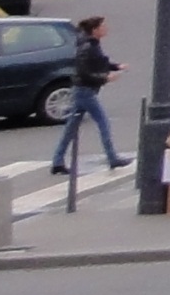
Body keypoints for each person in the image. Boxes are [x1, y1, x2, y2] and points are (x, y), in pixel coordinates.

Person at [49, 15, 130, 175]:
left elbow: (99, 62)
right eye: (102, 26)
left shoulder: (92, 44)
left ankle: (57, 161)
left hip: (83, 90)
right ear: (95, 30)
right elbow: (84, 71)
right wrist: (105, 78)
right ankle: (112, 158)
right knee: (103, 122)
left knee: (71, 127)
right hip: (84, 91)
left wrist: (116, 66)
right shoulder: (87, 47)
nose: (106, 28)